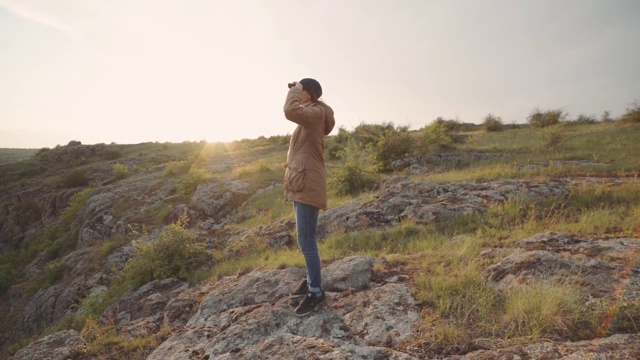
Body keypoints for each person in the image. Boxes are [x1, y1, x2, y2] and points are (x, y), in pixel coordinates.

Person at [283, 78, 335, 316]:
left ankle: (316, 291)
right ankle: (310, 279)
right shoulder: (314, 113)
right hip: (302, 181)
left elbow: (289, 111)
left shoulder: (314, 113)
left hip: (307, 182)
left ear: (310, 94)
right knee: (305, 237)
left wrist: (294, 90)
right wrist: (297, 89)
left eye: (301, 91)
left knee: (306, 239)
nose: (297, 93)